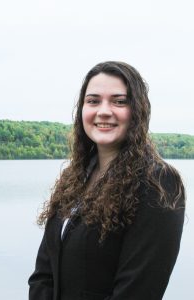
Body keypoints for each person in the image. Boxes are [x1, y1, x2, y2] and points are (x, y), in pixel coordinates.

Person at [28, 61, 185, 300]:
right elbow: (43, 273)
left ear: (138, 111)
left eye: (119, 101)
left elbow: (138, 292)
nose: (103, 111)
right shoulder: (75, 177)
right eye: (93, 101)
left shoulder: (158, 183)